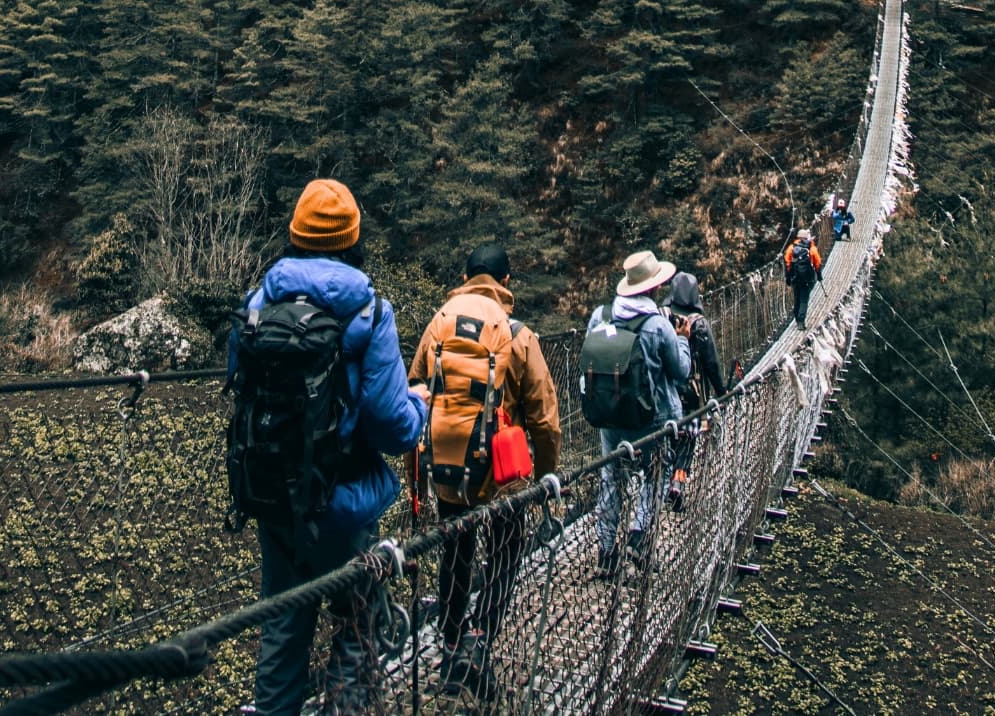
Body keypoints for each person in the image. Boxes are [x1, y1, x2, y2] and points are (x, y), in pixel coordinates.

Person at [228, 178, 428, 716]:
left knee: (282, 629)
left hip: (274, 498)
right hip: (345, 507)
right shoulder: (369, 313)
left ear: (294, 234)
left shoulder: (258, 304)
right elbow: (392, 427)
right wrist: (419, 407)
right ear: (353, 238)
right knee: (359, 624)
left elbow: (239, 388)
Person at [407, 244, 561, 703]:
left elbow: (414, 388)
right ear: (506, 282)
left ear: (465, 278)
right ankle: (480, 639)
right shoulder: (517, 335)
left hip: (449, 468)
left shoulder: (438, 323)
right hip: (502, 476)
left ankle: (451, 645)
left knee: (456, 556)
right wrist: (545, 479)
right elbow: (545, 420)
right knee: (505, 555)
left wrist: (419, 469)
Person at [585, 250, 691, 577]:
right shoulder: (658, 325)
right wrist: (683, 340)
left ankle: (606, 552)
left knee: (612, 478)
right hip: (652, 419)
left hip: (610, 416)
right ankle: (639, 536)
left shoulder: (600, 316)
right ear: (654, 287)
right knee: (657, 475)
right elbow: (680, 372)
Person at [663, 271, 727, 511]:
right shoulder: (699, 323)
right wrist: (722, 391)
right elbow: (711, 363)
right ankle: (677, 483)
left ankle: (662, 484)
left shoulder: (662, 317)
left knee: (667, 437)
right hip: (692, 391)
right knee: (687, 438)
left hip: (665, 388)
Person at [784, 228, 823, 329]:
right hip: (807, 278)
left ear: (797, 237)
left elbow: (787, 262)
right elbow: (817, 262)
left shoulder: (791, 248)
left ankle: (797, 319)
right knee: (804, 300)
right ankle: (801, 322)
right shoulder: (811, 248)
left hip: (795, 277)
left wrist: (788, 277)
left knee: (797, 298)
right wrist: (819, 275)